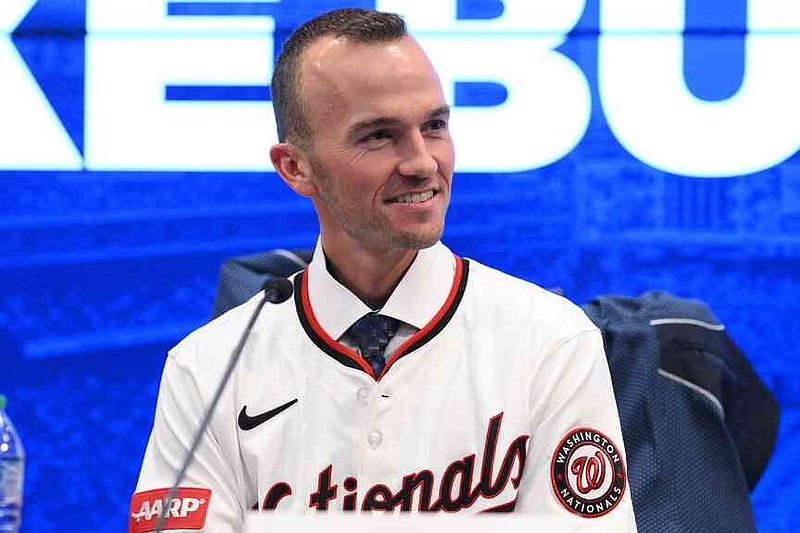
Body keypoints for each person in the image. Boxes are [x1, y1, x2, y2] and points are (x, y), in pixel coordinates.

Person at [130, 8, 637, 532]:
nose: (422, 162)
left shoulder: (552, 340)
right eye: (379, 136)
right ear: (295, 168)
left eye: (434, 126)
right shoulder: (207, 369)